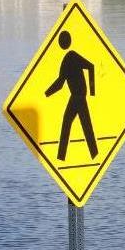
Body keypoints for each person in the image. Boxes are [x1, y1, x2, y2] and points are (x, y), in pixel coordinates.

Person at [45, 30, 98, 161]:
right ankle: (91, 155)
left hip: (79, 97)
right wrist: (46, 94)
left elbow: (91, 66)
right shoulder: (66, 60)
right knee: (80, 125)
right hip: (75, 97)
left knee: (78, 125)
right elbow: (60, 83)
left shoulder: (72, 56)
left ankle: (63, 157)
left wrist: (92, 91)